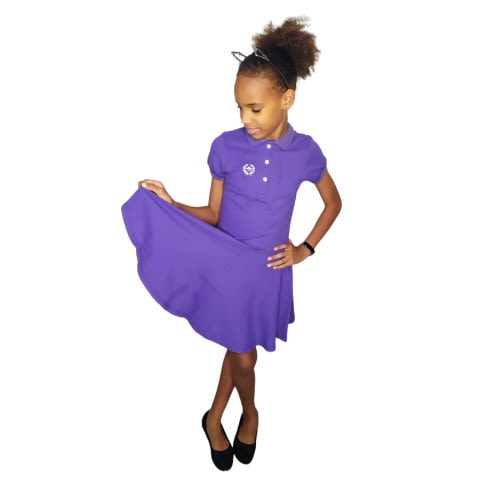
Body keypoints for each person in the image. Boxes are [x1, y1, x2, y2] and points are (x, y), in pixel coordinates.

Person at [121, 16, 342, 471]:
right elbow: (214, 214)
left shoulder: (306, 153)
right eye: (239, 107)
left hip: (267, 271)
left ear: (287, 99)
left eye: (255, 109)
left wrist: (304, 250)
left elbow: (333, 203)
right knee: (244, 354)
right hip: (226, 265)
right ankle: (251, 414)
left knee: (239, 348)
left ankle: (214, 416)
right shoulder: (225, 147)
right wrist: (171, 202)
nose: (245, 119)